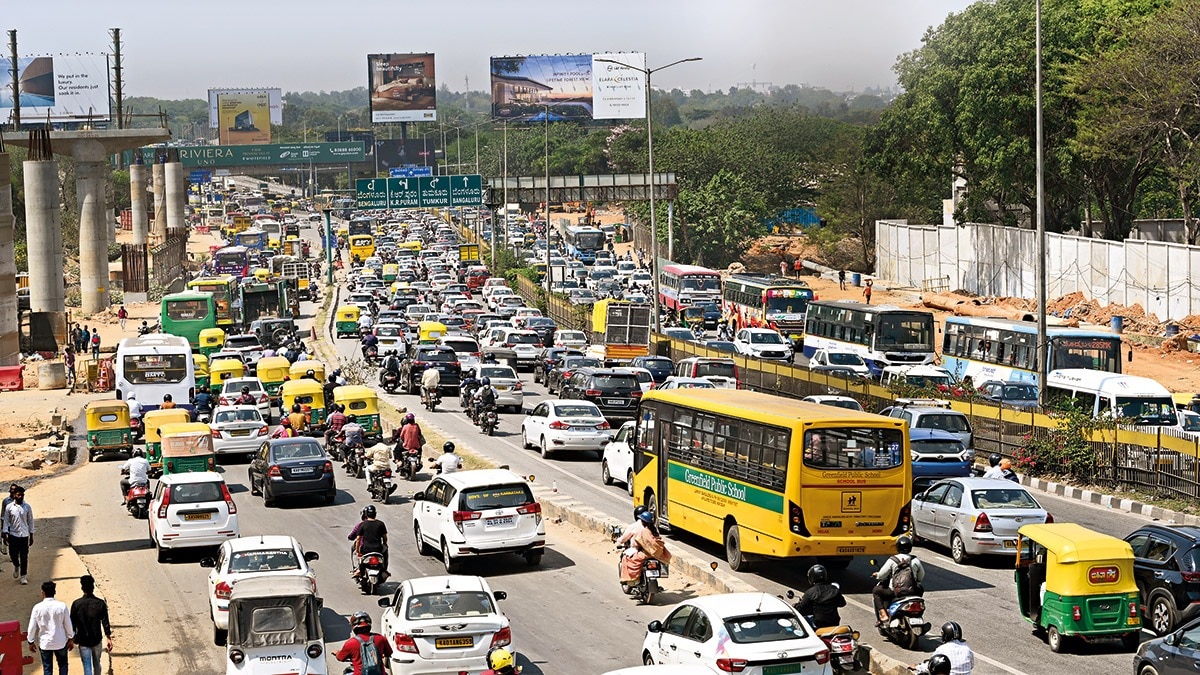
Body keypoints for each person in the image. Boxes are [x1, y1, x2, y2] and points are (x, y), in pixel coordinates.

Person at [872, 535, 925, 624]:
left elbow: (882, 575)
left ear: (897, 547)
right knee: (921, 588)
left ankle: (883, 614)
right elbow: (921, 576)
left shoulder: (893, 560)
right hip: (913, 591)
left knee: (876, 591)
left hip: (895, 591)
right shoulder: (915, 560)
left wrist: (876, 575)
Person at [28, 580, 74, 674]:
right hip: (60, 641)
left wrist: (30, 641)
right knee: (63, 665)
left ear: (43, 593)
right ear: (54, 592)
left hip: (45, 643)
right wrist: (71, 638)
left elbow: (32, 627)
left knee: (47, 668)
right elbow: (68, 625)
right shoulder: (62, 606)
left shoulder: (37, 608)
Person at [70, 575, 111, 675]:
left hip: (83, 640)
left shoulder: (76, 604)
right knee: (97, 663)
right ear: (93, 587)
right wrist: (108, 638)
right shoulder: (100, 603)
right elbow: (105, 622)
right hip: (97, 639)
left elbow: (72, 624)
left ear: (82, 587)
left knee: (87, 665)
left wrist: (72, 638)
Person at [620, 511, 672, 585]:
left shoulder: (644, 531)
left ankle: (633, 579)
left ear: (643, 522)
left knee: (627, 558)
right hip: (656, 554)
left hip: (647, 553)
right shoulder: (654, 530)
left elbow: (641, 541)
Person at [334, 611, 392, 675]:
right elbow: (388, 653)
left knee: (347, 673)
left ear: (353, 627)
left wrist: (336, 653)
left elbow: (340, 658)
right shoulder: (381, 638)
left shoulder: (351, 643)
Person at [796, 564, 847, 629]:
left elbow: (800, 609)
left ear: (812, 577)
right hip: (834, 623)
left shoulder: (810, 592)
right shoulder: (834, 589)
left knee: (800, 622)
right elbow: (842, 603)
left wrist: (796, 607)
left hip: (818, 624)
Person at [3, 484, 33, 584]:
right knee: (13, 555)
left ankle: (23, 576)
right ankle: (16, 565)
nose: (20, 497)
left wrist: (31, 534)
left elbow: (30, 521)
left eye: (22, 495)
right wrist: (5, 533)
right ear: (15, 495)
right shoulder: (9, 507)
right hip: (13, 535)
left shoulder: (27, 507)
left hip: (24, 536)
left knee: (24, 557)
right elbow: (6, 521)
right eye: (19, 495)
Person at [349, 505, 388, 577]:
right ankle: (384, 569)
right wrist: (385, 544)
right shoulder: (381, 524)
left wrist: (358, 551)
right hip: (378, 549)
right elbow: (385, 537)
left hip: (365, 549)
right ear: (375, 514)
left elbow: (358, 539)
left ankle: (358, 569)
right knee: (385, 551)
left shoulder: (362, 525)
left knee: (356, 553)